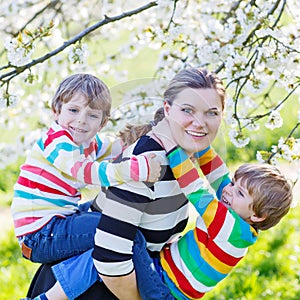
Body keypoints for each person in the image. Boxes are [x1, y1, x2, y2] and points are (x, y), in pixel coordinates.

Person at [24, 67, 228, 300]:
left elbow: (225, 186)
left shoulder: (188, 155)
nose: (200, 122)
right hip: (93, 290)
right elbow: (110, 257)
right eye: (188, 110)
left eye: (212, 113)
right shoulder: (148, 164)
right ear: (168, 109)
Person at [131, 119, 293, 299]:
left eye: (239, 193)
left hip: (164, 287)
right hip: (165, 276)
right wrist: (199, 141)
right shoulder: (240, 220)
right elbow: (218, 175)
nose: (228, 190)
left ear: (257, 216)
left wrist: (170, 145)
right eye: (233, 183)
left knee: (129, 235)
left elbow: (195, 189)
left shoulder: (229, 228)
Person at [11, 73, 161, 265]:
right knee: (119, 229)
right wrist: (134, 170)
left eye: (92, 115)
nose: (82, 120)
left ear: (102, 123)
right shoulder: (57, 141)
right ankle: (153, 290)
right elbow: (85, 171)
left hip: (60, 219)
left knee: (115, 211)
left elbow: (115, 147)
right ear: (56, 111)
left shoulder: (87, 141)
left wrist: (148, 132)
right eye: (73, 110)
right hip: (39, 234)